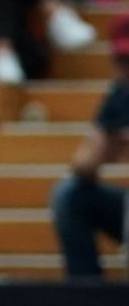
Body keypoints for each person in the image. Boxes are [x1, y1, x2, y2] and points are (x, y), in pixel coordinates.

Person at [50, 27, 129, 278]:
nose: (125, 71)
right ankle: (86, 303)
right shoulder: (120, 97)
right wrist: (105, 146)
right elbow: (82, 165)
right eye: (121, 62)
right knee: (69, 196)